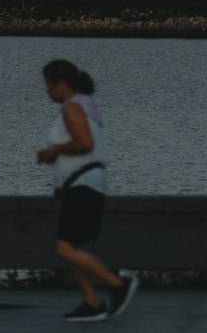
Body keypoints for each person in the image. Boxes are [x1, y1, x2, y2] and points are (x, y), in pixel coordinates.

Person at [36, 59, 138, 323]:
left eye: (48, 84)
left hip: (84, 184)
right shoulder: (84, 103)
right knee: (74, 246)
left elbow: (84, 142)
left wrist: (55, 150)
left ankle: (117, 285)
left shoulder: (72, 107)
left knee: (66, 249)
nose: (47, 90)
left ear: (62, 84)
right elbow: (83, 147)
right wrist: (56, 165)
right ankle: (91, 301)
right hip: (82, 184)